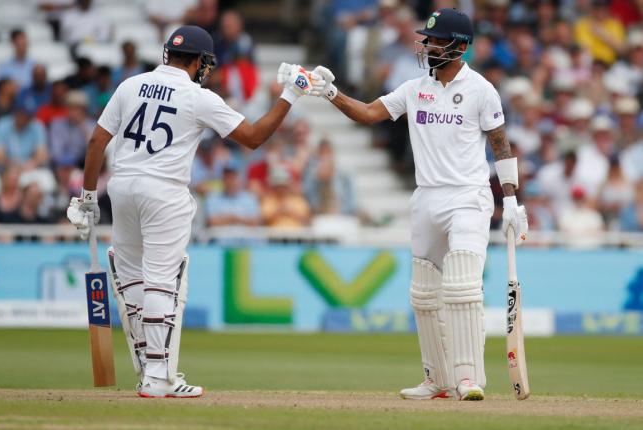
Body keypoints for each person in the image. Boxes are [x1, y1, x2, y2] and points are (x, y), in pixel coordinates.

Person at [66, 25, 312, 398]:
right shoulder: (198, 96)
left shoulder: (130, 85)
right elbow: (253, 138)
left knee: (132, 279)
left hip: (122, 187)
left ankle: (149, 368)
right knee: (164, 281)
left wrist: (85, 197)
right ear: (198, 61)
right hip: (164, 193)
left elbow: (97, 140)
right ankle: (159, 377)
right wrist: (291, 93)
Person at [304, 8, 528, 401]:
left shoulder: (481, 89)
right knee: (424, 294)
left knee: (461, 286)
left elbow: (500, 145)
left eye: (436, 40)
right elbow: (370, 113)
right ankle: (437, 379)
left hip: (468, 196)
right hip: (426, 196)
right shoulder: (414, 88)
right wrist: (329, 92)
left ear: (458, 46)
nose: (427, 45)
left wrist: (510, 200)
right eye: (428, 39)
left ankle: (467, 378)